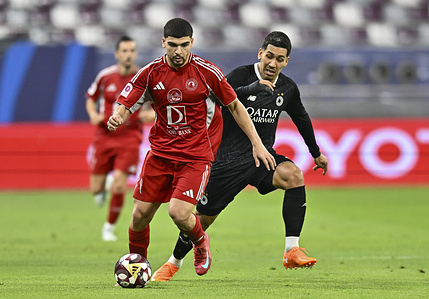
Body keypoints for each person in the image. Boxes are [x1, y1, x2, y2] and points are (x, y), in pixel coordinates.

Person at [150, 31, 329, 281]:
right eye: (269, 56)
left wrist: (316, 153)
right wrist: (251, 89)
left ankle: (292, 249)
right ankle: (174, 262)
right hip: (225, 163)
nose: (272, 64)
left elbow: (301, 117)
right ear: (260, 53)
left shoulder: (287, 87)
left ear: (286, 61)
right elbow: (216, 102)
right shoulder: (240, 76)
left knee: (294, 176)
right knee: (201, 221)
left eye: (279, 59)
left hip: (260, 159)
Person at [107, 18, 275, 277]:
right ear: (163, 42)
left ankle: (199, 241)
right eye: (172, 45)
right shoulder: (151, 73)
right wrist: (119, 115)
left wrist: (257, 143)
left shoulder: (208, 73)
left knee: (178, 212)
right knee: (139, 216)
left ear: (192, 43)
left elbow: (234, 106)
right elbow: (128, 100)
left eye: (184, 45)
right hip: (160, 154)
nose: (178, 51)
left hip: (195, 157)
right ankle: (136, 269)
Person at [86, 35, 154, 242]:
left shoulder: (144, 77)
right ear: (117, 54)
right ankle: (103, 186)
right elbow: (90, 98)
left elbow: (158, 106)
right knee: (96, 189)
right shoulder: (105, 76)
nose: (128, 55)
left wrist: (150, 115)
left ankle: (109, 227)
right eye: (124, 51)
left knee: (119, 185)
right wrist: (93, 115)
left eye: (132, 51)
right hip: (104, 135)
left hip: (130, 137)